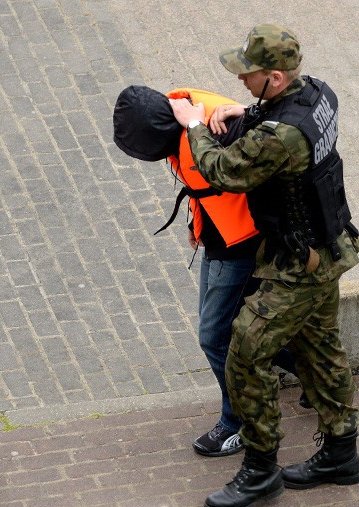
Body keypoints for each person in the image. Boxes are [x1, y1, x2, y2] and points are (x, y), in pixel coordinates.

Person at [169, 23, 359, 507]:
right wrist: (251, 110)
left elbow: (225, 171)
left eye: (249, 76)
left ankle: (259, 471)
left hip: (297, 263)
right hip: (330, 246)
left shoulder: (281, 139)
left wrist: (194, 124)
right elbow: (283, 118)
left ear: (275, 76)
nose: (239, 81)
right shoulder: (319, 95)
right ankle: (341, 456)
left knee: (243, 352)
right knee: (321, 351)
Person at [113, 85, 302, 458]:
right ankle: (312, 373)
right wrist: (197, 221)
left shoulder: (206, 130)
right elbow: (208, 188)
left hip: (239, 246)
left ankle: (241, 424)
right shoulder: (185, 112)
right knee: (247, 327)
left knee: (215, 337)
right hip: (232, 235)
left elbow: (241, 161)